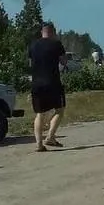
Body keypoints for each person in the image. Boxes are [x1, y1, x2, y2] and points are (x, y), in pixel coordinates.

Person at [28, 22, 67, 152]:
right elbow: (63, 61)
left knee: (40, 114)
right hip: (53, 82)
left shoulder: (33, 45)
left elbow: (30, 63)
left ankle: (39, 145)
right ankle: (50, 137)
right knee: (59, 110)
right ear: (52, 32)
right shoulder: (56, 44)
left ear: (42, 31)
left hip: (36, 84)